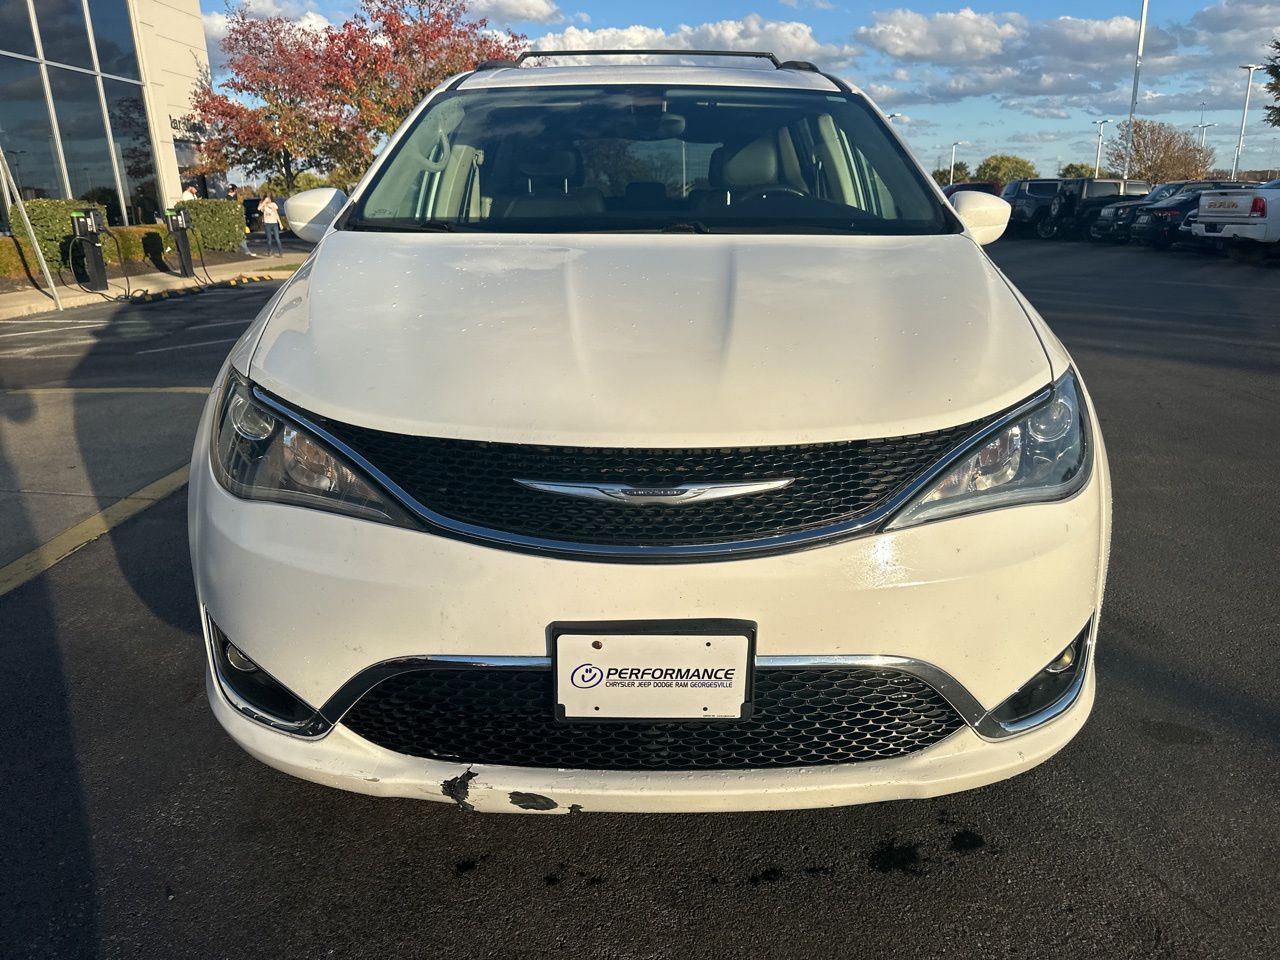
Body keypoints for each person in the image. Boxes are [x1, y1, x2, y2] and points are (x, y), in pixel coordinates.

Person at [227, 184, 257, 257]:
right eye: (235, 190)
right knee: (240, 235)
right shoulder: (228, 198)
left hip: (237, 218)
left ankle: (244, 250)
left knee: (240, 235)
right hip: (233, 219)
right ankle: (246, 251)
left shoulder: (235, 197)